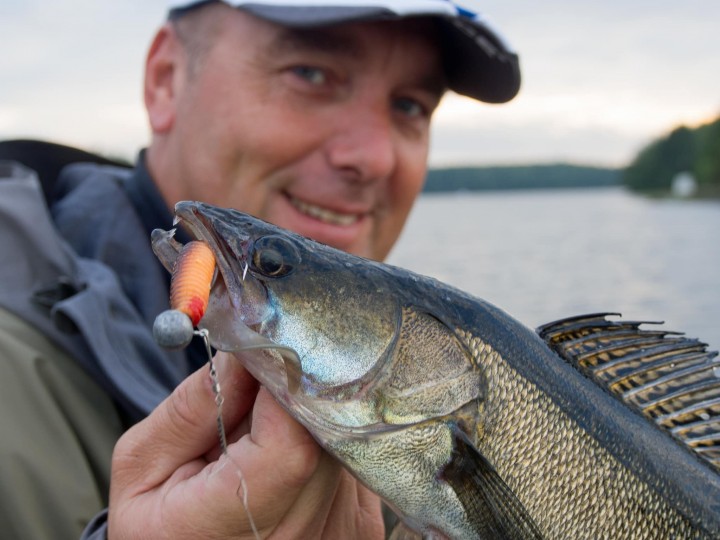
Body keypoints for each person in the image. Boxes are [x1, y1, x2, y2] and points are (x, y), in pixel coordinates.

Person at [0, 0, 520, 538]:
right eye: (311, 74)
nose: (373, 157)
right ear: (165, 81)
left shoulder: (404, 405)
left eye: (411, 106)